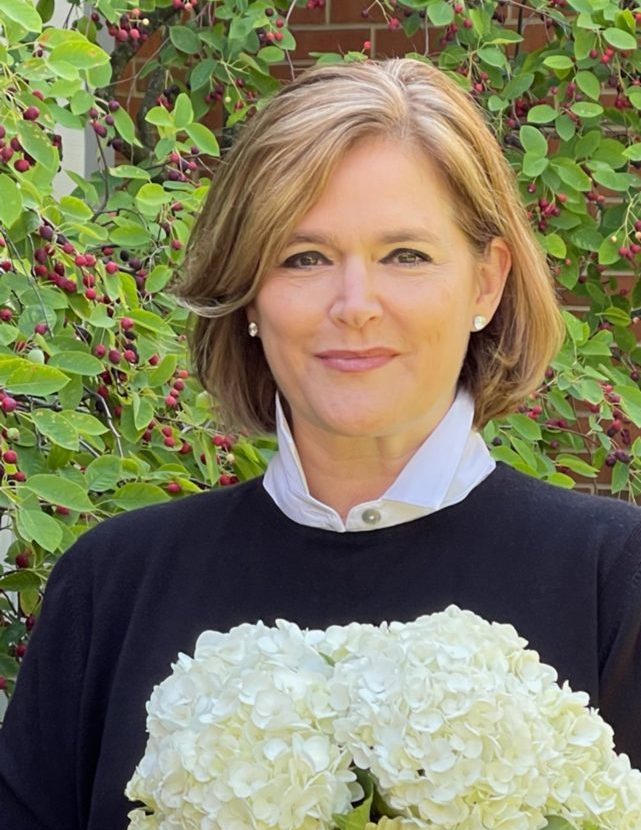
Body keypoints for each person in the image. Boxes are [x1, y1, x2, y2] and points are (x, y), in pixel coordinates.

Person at [0, 58, 640, 830]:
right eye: (304, 258)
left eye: (405, 255)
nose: (354, 305)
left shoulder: (615, 581)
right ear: (248, 293)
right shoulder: (113, 587)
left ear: (484, 283)